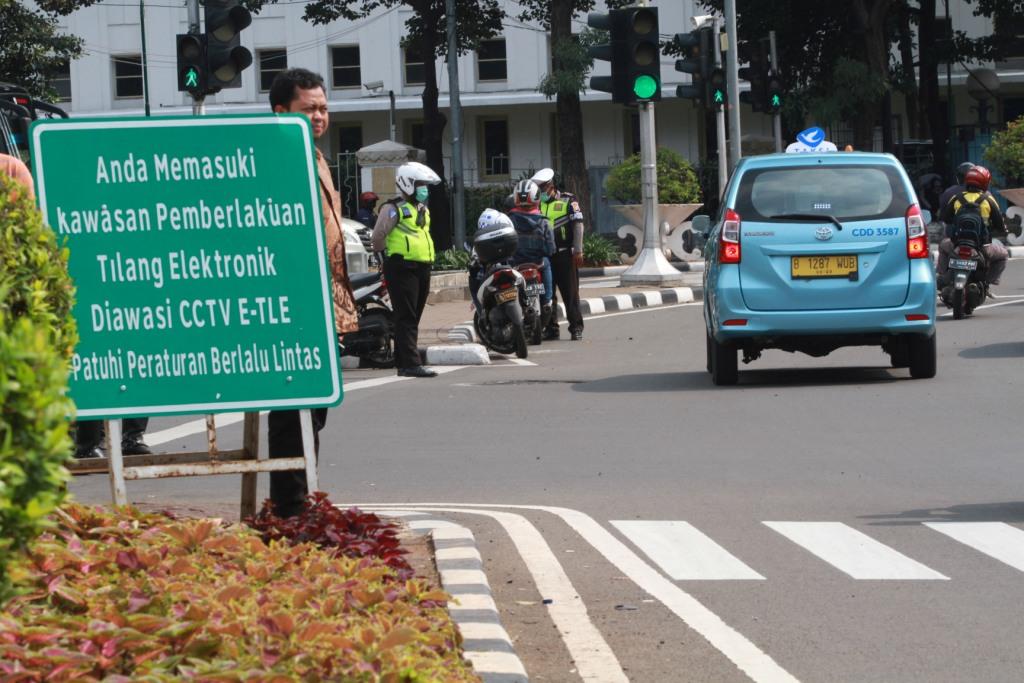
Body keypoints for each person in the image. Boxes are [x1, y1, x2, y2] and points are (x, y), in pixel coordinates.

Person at [1, 154, 154, 460]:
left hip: (45, 289)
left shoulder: (11, 170)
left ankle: (119, 437)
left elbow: (28, 232)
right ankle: (85, 441)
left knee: (129, 350)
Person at [268, 67, 359, 517]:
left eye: (323, 108)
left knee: (315, 408)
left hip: (324, 300)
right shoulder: (279, 157)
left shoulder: (316, 156)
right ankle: (289, 507)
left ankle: (300, 500)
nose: (320, 116)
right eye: (310, 109)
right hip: (296, 303)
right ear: (281, 110)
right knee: (294, 409)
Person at [371, 161, 441, 378]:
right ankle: (410, 364)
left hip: (421, 266)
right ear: (407, 184)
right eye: (420, 185)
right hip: (402, 267)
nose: (424, 189)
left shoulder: (421, 209)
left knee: (414, 315)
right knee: (406, 316)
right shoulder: (393, 209)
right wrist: (384, 259)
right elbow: (378, 236)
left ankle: (403, 361)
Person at [531, 168, 585, 341]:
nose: (541, 192)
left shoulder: (568, 199)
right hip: (545, 257)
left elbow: (578, 225)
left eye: (543, 188)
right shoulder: (537, 204)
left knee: (570, 294)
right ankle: (551, 328)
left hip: (565, 256)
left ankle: (576, 327)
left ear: (551, 185)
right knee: (547, 295)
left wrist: (578, 250)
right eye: (539, 189)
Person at [937, 165, 1008, 288]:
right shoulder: (988, 199)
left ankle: (943, 277)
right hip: (982, 247)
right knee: (1003, 255)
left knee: (943, 246)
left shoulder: (957, 198)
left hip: (957, 244)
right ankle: (987, 282)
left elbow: (945, 218)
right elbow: (999, 224)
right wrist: (1002, 230)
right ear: (985, 182)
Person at [507, 179, 555, 319]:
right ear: (536, 197)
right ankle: (547, 300)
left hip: (515, 262)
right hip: (537, 262)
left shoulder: (509, 220)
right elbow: (551, 248)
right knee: (547, 265)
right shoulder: (543, 221)